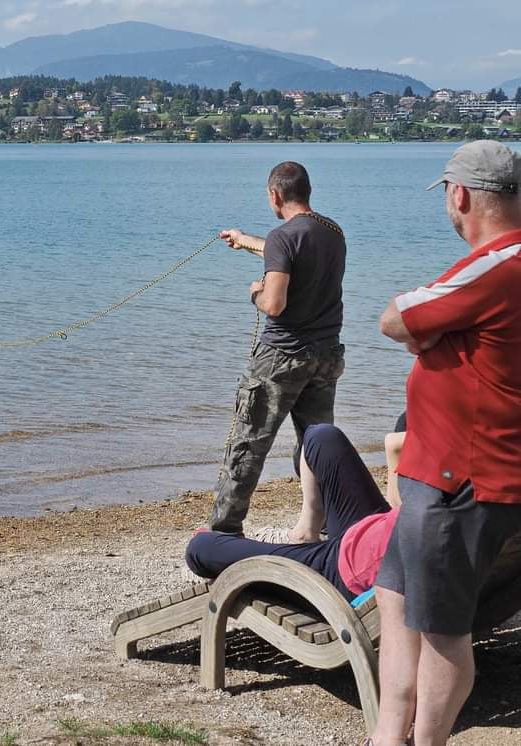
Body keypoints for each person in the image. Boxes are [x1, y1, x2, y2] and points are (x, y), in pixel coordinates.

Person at [371, 140, 521, 746]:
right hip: (447, 473)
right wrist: (438, 340)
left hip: (461, 481)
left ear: (460, 196)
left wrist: (428, 338)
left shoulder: (497, 264)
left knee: (442, 632)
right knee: (393, 592)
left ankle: (424, 740)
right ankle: (388, 732)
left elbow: (394, 319)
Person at [210, 161, 348, 535]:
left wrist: (255, 292)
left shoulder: (282, 238)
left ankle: (224, 530)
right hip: (326, 355)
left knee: (249, 442)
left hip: (282, 357)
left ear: (275, 195)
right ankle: (321, 526)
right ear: (307, 192)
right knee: (315, 444)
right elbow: (287, 254)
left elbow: (274, 304)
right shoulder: (333, 232)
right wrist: (243, 239)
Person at [188, 423, 400, 602]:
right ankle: (306, 532)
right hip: (379, 529)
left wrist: (397, 446)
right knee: (321, 436)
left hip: (348, 567)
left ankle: (308, 551)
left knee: (200, 548)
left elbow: (396, 449)